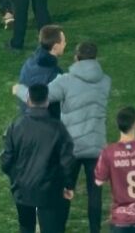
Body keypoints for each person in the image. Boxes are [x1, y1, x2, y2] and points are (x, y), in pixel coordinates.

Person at [50, 43, 112, 233]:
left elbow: (42, 97)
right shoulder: (105, 81)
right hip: (96, 146)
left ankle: (58, 228)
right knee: (95, 193)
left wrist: (19, 89)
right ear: (95, 58)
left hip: (71, 146)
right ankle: (95, 230)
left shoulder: (64, 81)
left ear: (76, 58)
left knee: (65, 190)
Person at [0, 83, 76, 233]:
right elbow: (68, 162)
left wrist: (16, 178)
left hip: (22, 190)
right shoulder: (58, 128)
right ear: (47, 101)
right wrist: (68, 185)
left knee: (26, 227)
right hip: (49, 191)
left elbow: (6, 160)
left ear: (28, 100)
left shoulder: (16, 126)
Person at [17, 25, 66, 117]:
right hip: (45, 119)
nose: (65, 44)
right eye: (63, 42)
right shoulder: (55, 73)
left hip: (26, 115)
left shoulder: (29, 62)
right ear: (55, 47)